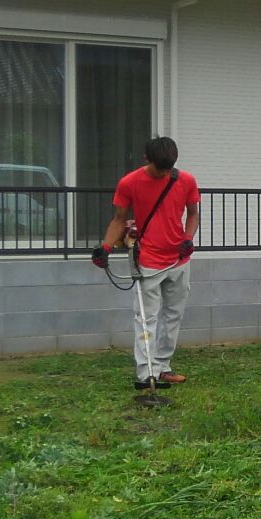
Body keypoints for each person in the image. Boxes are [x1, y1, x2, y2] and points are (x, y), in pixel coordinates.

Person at [91, 137, 201, 392]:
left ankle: (163, 366)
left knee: (173, 315)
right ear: (146, 160)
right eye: (159, 168)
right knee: (146, 317)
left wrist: (188, 239)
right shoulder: (130, 183)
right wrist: (105, 248)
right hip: (148, 260)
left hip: (178, 259)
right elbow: (119, 219)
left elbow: (193, 214)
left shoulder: (186, 180)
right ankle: (145, 373)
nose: (164, 173)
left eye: (168, 168)